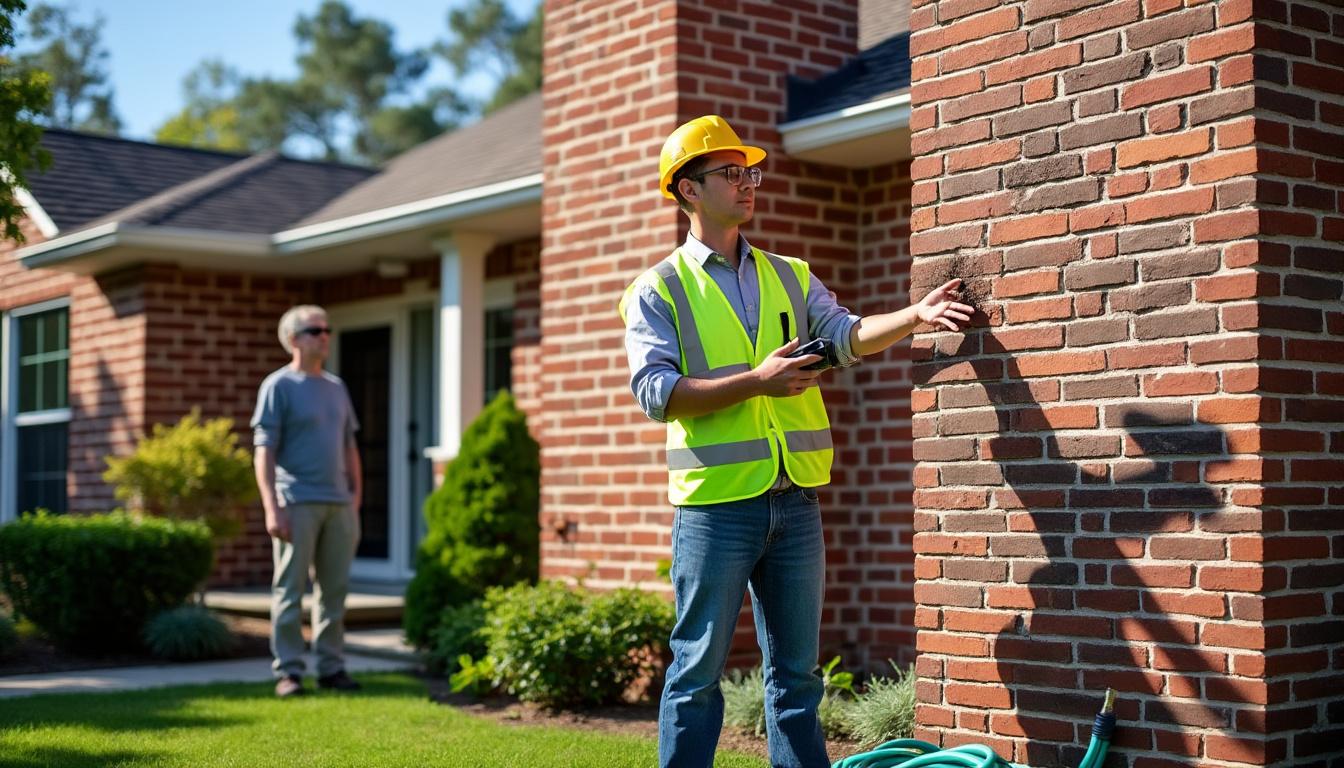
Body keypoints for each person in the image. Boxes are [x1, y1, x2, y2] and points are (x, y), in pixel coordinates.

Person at [619, 116, 973, 767]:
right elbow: (656, 393)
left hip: (796, 504)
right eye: (729, 173)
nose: (747, 182)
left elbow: (845, 336)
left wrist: (916, 316)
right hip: (715, 509)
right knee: (696, 676)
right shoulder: (658, 289)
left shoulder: (790, 274)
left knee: (798, 681)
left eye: (749, 171)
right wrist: (757, 381)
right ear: (688, 190)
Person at [251, 305, 364, 698]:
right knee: (290, 590)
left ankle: (332, 668)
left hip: (339, 504)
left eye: (327, 329)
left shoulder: (336, 387)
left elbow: (350, 446)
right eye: (316, 330)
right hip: (296, 500)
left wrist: (355, 498)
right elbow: (263, 450)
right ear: (293, 338)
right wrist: (271, 506)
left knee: (334, 592)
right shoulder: (278, 387)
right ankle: (290, 672)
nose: (325, 336)